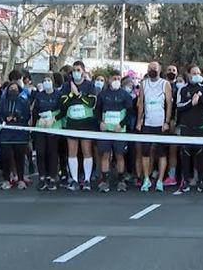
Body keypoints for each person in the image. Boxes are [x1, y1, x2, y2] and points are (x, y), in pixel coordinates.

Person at [174, 65, 203, 194]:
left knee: (200, 154)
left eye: (198, 72)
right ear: (189, 74)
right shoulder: (182, 89)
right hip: (186, 127)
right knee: (185, 154)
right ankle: (185, 180)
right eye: (193, 73)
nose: (196, 74)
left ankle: (201, 180)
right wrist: (191, 102)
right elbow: (179, 106)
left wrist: (199, 98)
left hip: (200, 127)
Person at [61, 61, 98, 191]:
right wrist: (72, 93)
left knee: (86, 150)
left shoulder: (89, 85)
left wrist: (79, 94)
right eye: (74, 70)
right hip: (72, 122)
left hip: (86, 122)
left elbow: (91, 103)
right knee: (72, 152)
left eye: (78, 70)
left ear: (83, 71)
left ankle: (87, 180)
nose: (76, 72)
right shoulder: (67, 86)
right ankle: (75, 180)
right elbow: (63, 103)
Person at [137, 61, 173, 192]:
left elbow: (169, 104)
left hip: (160, 124)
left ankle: (160, 181)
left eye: (155, 68)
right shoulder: (144, 84)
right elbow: (141, 103)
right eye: (151, 68)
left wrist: (167, 122)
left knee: (161, 153)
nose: (153, 70)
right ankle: (146, 179)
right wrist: (139, 121)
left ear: (160, 69)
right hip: (147, 123)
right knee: (145, 152)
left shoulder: (165, 84)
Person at [96, 70, 135, 192]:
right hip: (106, 130)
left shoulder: (125, 95)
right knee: (105, 155)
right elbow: (97, 111)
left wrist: (122, 124)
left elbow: (130, 113)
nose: (116, 81)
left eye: (119, 78)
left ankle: (121, 181)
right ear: (109, 79)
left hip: (120, 130)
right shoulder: (102, 94)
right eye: (114, 78)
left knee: (119, 155)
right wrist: (100, 123)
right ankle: (104, 181)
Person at [0, 70, 32, 189]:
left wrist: (18, 117)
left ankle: (20, 179)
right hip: (6, 134)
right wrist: (5, 118)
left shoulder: (23, 101)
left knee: (20, 157)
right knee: (6, 156)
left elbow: (27, 115)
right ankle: (7, 180)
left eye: (16, 89)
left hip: (20, 133)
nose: (13, 90)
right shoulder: (1, 101)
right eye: (11, 88)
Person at [30, 72, 64, 191]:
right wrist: (36, 123)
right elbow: (35, 111)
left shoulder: (58, 95)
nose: (46, 82)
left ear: (53, 82)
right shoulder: (39, 96)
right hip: (41, 126)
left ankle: (53, 177)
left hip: (53, 126)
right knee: (40, 152)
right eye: (45, 81)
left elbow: (62, 110)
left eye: (49, 80)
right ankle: (42, 177)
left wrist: (54, 119)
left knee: (52, 152)